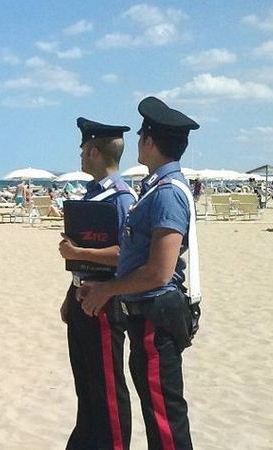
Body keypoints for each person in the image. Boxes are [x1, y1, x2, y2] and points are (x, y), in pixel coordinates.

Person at [80, 97, 201, 449]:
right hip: (147, 315)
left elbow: (159, 272)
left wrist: (108, 289)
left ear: (148, 141)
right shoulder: (155, 189)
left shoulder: (166, 194)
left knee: (164, 419)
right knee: (157, 413)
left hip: (156, 315)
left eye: (141, 136)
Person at [59, 117, 137, 450]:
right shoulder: (94, 194)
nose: (80, 155)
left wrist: (79, 252)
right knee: (87, 386)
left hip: (105, 300)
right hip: (82, 295)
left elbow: (128, 254)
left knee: (107, 389)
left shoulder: (120, 198)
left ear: (93, 151)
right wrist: (70, 293)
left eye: (82, 150)